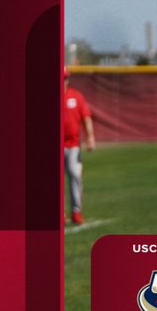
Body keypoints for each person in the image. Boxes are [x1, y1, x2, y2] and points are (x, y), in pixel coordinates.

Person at [62, 66, 96, 225]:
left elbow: (86, 117)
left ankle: (76, 211)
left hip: (73, 145)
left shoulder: (76, 96)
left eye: (65, 78)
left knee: (75, 176)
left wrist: (90, 137)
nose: (63, 81)